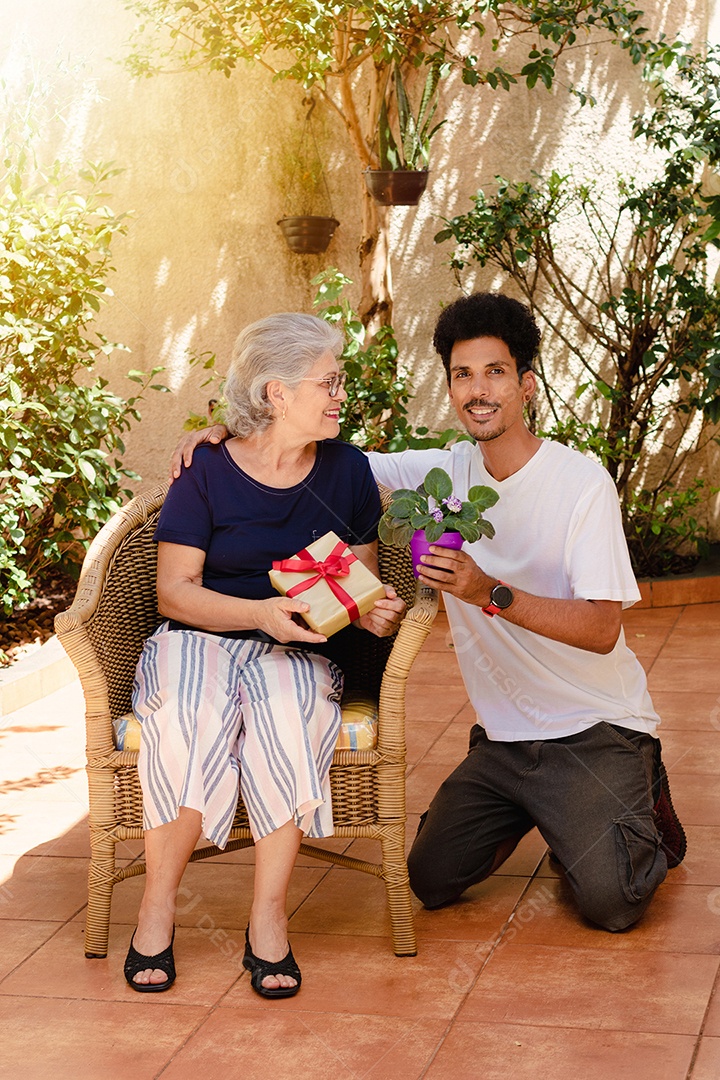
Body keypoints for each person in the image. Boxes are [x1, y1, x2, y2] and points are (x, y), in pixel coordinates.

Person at [172, 292, 685, 935]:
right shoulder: (441, 472)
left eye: (495, 372)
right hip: (504, 739)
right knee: (430, 880)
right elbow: (312, 453)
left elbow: (604, 630)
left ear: (527, 384)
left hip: (596, 727)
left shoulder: (582, 485)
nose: (478, 390)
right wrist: (226, 436)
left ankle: (637, 802)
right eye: (462, 374)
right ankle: (550, 809)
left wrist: (488, 592)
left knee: (612, 904)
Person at [125, 313, 405, 998]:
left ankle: (268, 917)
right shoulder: (207, 470)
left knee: (289, 718)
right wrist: (258, 616)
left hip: (302, 652)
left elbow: (355, 586)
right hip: (202, 637)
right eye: (329, 382)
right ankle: (156, 908)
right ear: (277, 393)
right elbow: (174, 594)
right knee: (187, 717)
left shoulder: (349, 471)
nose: (342, 395)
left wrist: (374, 609)